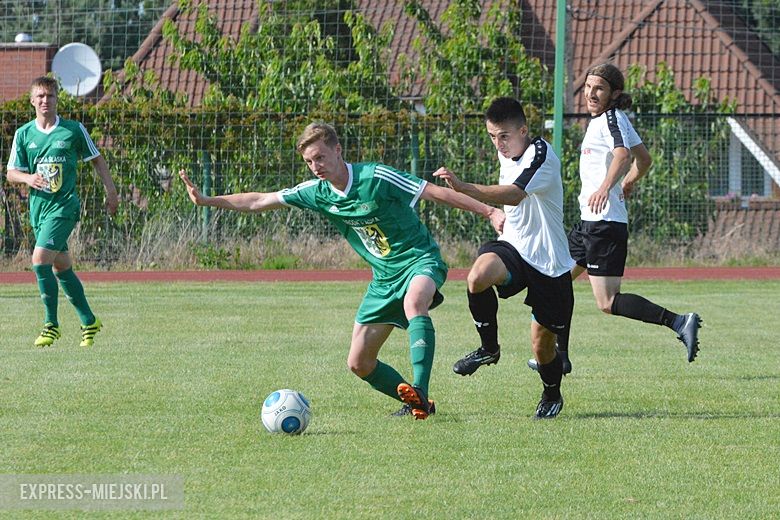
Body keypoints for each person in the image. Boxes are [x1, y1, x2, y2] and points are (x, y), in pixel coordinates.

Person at [179, 122, 504, 420]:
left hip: (419, 259)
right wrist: (207, 200)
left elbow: (434, 192)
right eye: (309, 161)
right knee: (359, 363)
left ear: (338, 150)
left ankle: (419, 390)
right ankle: (420, 405)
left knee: (414, 301)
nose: (315, 166)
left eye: (320, 157)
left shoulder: (375, 176)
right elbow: (259, 201)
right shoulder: (317, 192)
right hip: (384, 278)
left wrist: (488, 211)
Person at [528, 63, 701, 375]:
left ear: (614, 93)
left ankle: (679, 321)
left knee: (607, 302)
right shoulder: (608, 120)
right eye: (588, 86)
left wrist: (606, 188)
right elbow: (644, 159)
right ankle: (559, 357)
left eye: (599, 88)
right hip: (589, 221)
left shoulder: (611, 119)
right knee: (558, 281)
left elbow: (624, 155)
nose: (591, 93)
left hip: (604, 223)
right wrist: (629, 182)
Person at [434, 97, 574, 419]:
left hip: (549, 262)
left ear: (523, 131)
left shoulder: (541, 155)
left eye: (504, 136)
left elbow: (515, 193)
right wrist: (494, 213)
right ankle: (489, 348)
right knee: (477, 276)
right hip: (513, 246)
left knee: (542, 346)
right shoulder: (507, 151)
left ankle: (552, 394)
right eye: (492, 137)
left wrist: (466, 187)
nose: (498, 144)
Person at [5, 76, 118, 348]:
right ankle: (89, 320)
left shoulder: (73, 130)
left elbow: (97, 159)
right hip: (39, 211)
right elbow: (11, 173)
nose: (46, 101)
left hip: (65, 208)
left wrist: (112, 192)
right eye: (40, 96)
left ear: (57, 100)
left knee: (39, 259)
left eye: (50, 96)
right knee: (61, 266)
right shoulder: (24, 134)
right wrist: (28, 178)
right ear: (32, 101)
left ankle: (51, 325)